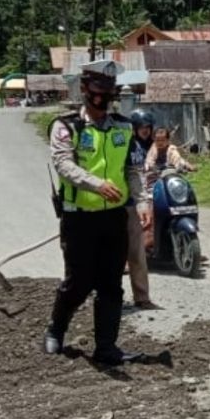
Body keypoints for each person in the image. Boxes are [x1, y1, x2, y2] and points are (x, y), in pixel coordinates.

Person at [44, 60, 150, 365]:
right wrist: (95, 184)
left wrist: (141, 202)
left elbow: (132, 169)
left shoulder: (123, 126)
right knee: (78, 282)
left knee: (110, 284)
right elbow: (63, 165)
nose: (103, 98)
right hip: (79, 217)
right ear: (85, 90)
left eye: (109, 92)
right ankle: (56, 329)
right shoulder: (66, 127)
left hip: (113, 217)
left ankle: (107, 347)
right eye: (97, 91)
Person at [126, 109, 158, 310]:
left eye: (148, 128)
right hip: (123, 201)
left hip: (138, 198)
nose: (145, 131)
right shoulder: (127, 145)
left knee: (137, 252)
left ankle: (142, 297)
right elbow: (131, 173)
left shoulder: (150, 145)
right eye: (142, 128)